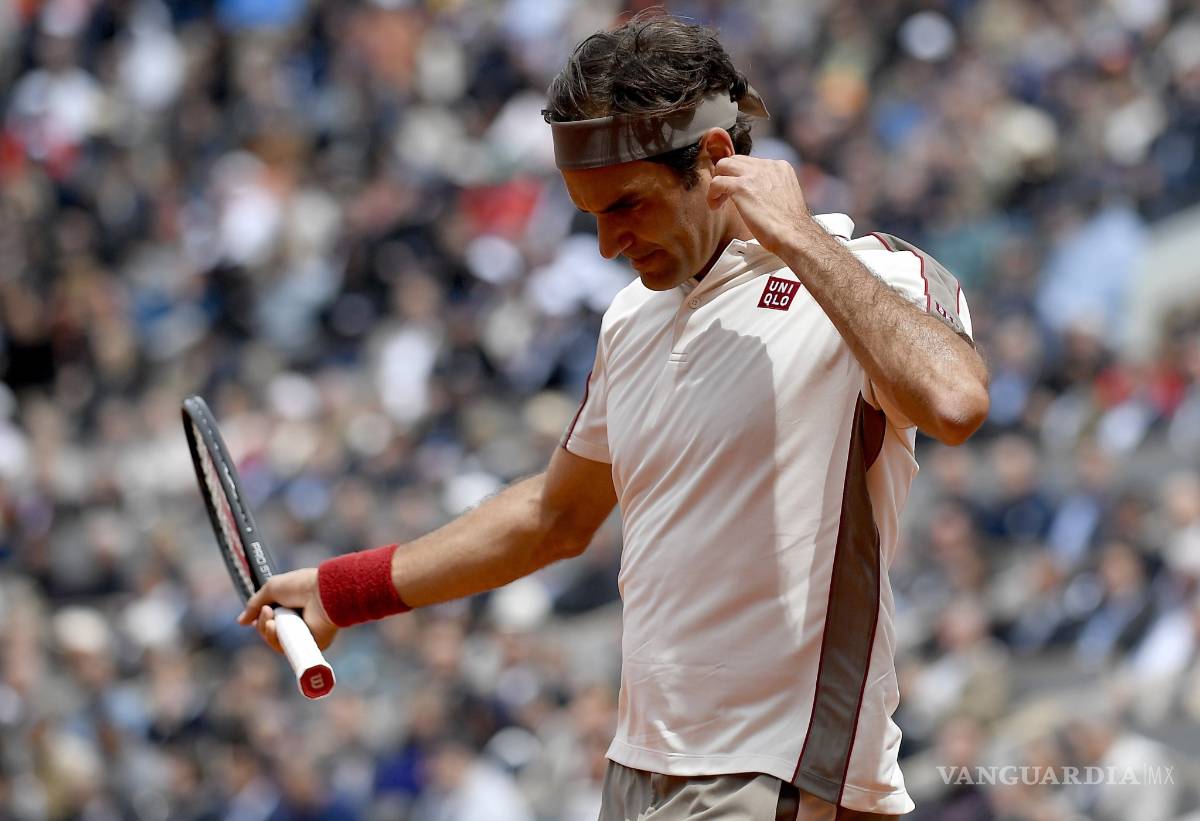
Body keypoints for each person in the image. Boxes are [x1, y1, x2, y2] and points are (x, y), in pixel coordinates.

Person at [237, 12, 989, 820]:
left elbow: (955, 402)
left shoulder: (868, 274)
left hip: (775, 772)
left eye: (627, 206)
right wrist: (345, 590)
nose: (606, 245)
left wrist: (800, 237)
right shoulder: (632, 319)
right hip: (637, 768)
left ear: (716, 160)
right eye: (590, 213)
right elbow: (552, 517)